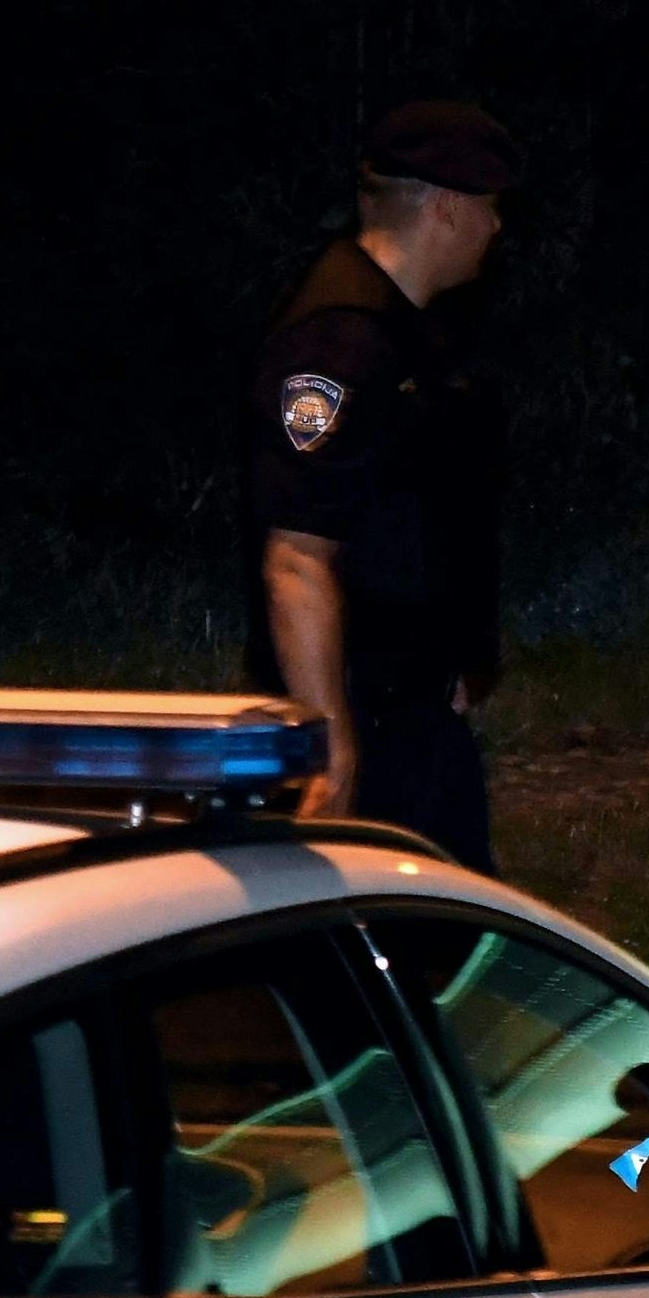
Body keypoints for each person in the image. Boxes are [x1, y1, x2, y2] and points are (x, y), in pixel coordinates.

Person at [248, 100, 520, 868]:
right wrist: (330, 743)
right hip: (364, 713)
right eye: (489, 209)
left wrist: (455, 662)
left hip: (413, 709)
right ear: (445, 208)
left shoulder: (411, 331)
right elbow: (296, 560)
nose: (497, 229)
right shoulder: (339, 339)